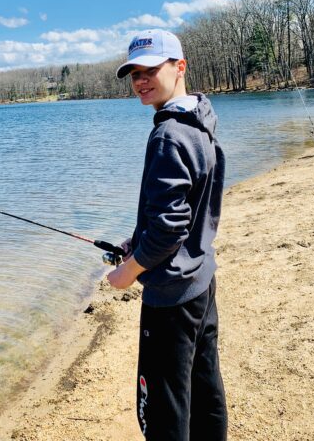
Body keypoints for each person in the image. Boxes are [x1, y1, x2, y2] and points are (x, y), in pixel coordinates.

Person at [106, 29, 227, 441]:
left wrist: (128, 271)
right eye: (134, 73)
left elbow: (170, 225)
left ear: (180, 67)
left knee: (164, 405)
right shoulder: (201, 119)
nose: (140, 81)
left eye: (150, 70)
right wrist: (134, 241)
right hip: (200, 281)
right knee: (204, 386)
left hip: (172, 293)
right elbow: (182, 208)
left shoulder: (168, 135)